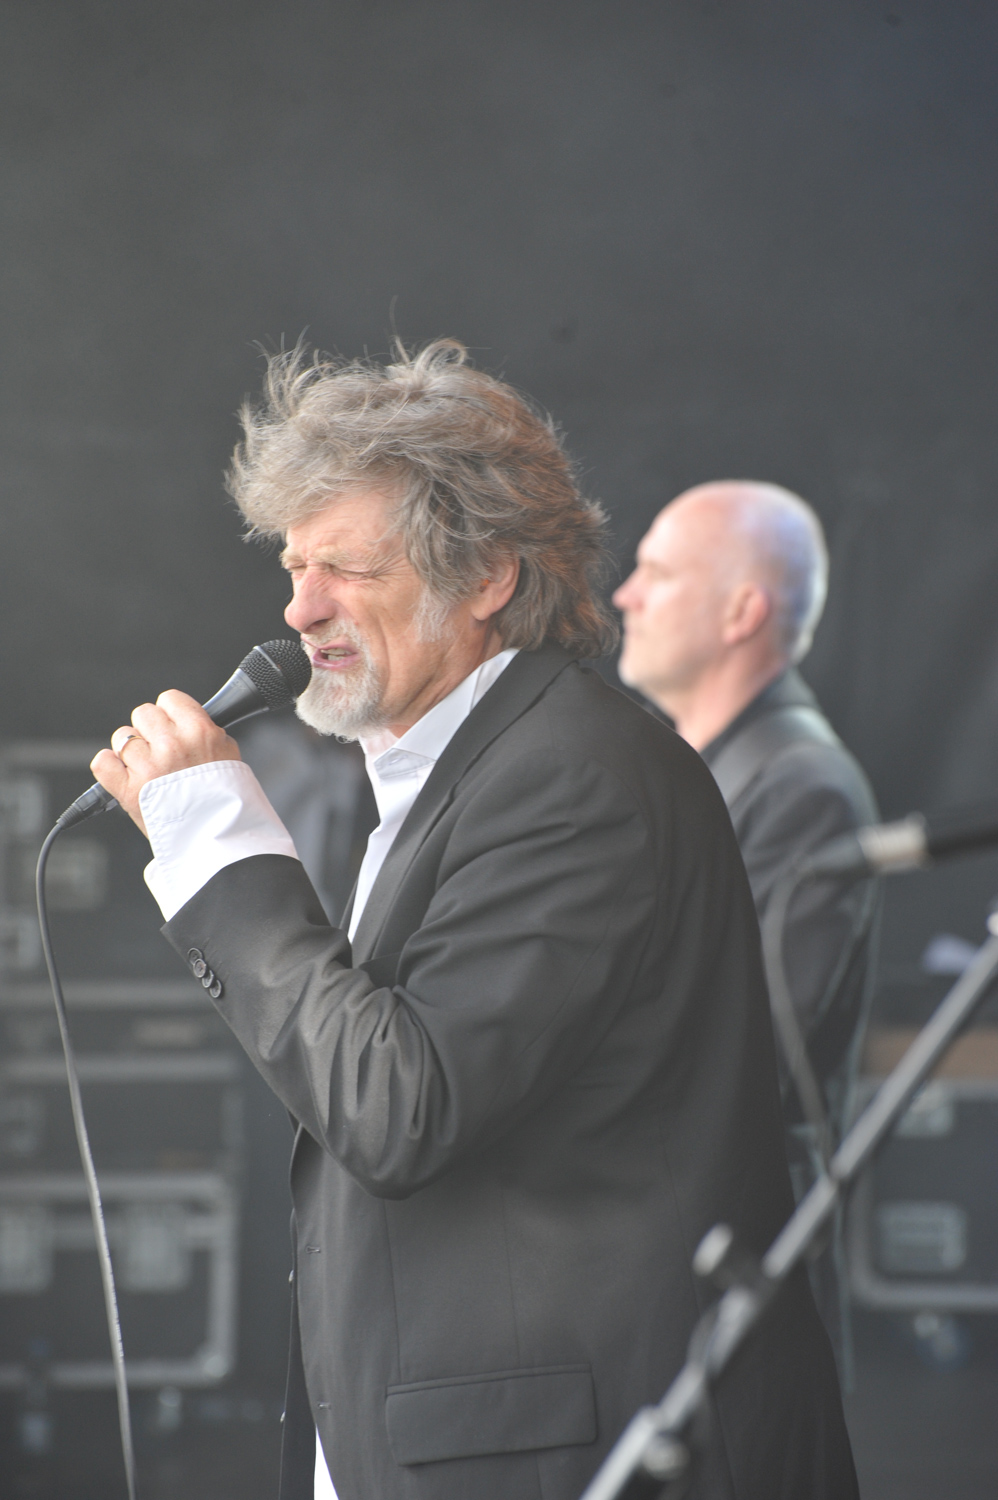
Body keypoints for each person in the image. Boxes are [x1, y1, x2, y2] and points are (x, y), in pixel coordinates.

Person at [92, 347, 857, 1500]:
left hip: (571, 1455)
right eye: (294, 566)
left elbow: (401, 1105)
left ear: (488, 577)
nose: (299, 608)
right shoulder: (464, 771)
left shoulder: (572, 774)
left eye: (347, 568)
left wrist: (214, 842)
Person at [614, 480, 879, 1373]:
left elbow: (740, 1058)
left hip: (730, 1284)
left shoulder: (803, 786)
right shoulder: (711, 772)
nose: (626, 594)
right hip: (671, 1266)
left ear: (742, 612)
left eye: (657, 573)